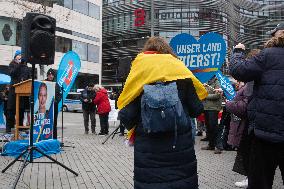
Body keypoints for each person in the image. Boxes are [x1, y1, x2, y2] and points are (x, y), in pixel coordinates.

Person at [117, 37, 207, 189]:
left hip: (148, 152)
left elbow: (126, 115)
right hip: (179, 148)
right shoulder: (180, 71)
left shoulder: (140, 72)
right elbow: (196, 109)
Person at [229, 23, 284, 189]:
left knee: (260, 182)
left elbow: (238, 70)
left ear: (275, 36)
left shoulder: (267, 55)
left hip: (265, 135)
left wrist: (238, 52)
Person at [6, 50, 31, 133]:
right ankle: (9, 128)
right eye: (19, 55)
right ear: (15, 57)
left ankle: (20, 127)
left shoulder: (25, 67)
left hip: (22, 93)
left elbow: (28, 78)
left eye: (21, 55)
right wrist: (19, 65)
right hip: (13, 92)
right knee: (11, 111)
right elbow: (12, 73)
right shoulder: (12, 64)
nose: (20, 56)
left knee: (21, 111)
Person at [201, 76, 223, 154]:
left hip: (213, 108)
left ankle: (219, 146)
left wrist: (205, 96)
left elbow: (218, 95)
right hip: (206, 107)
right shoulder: (206, 81)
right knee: (209, 127)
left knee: (214, 127)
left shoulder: (217, 82)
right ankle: (211, 145)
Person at [45, 68, 61, 139]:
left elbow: (59, 95)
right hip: (45, 107)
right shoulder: (43, 83)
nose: (51, 76)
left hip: (54, 106)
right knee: (45, 122)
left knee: (54, 123)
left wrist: (56, 101)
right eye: (50, 75)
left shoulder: (56, 84)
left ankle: (54, 138)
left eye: (52, 75)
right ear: (47, 75)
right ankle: (45, 137)